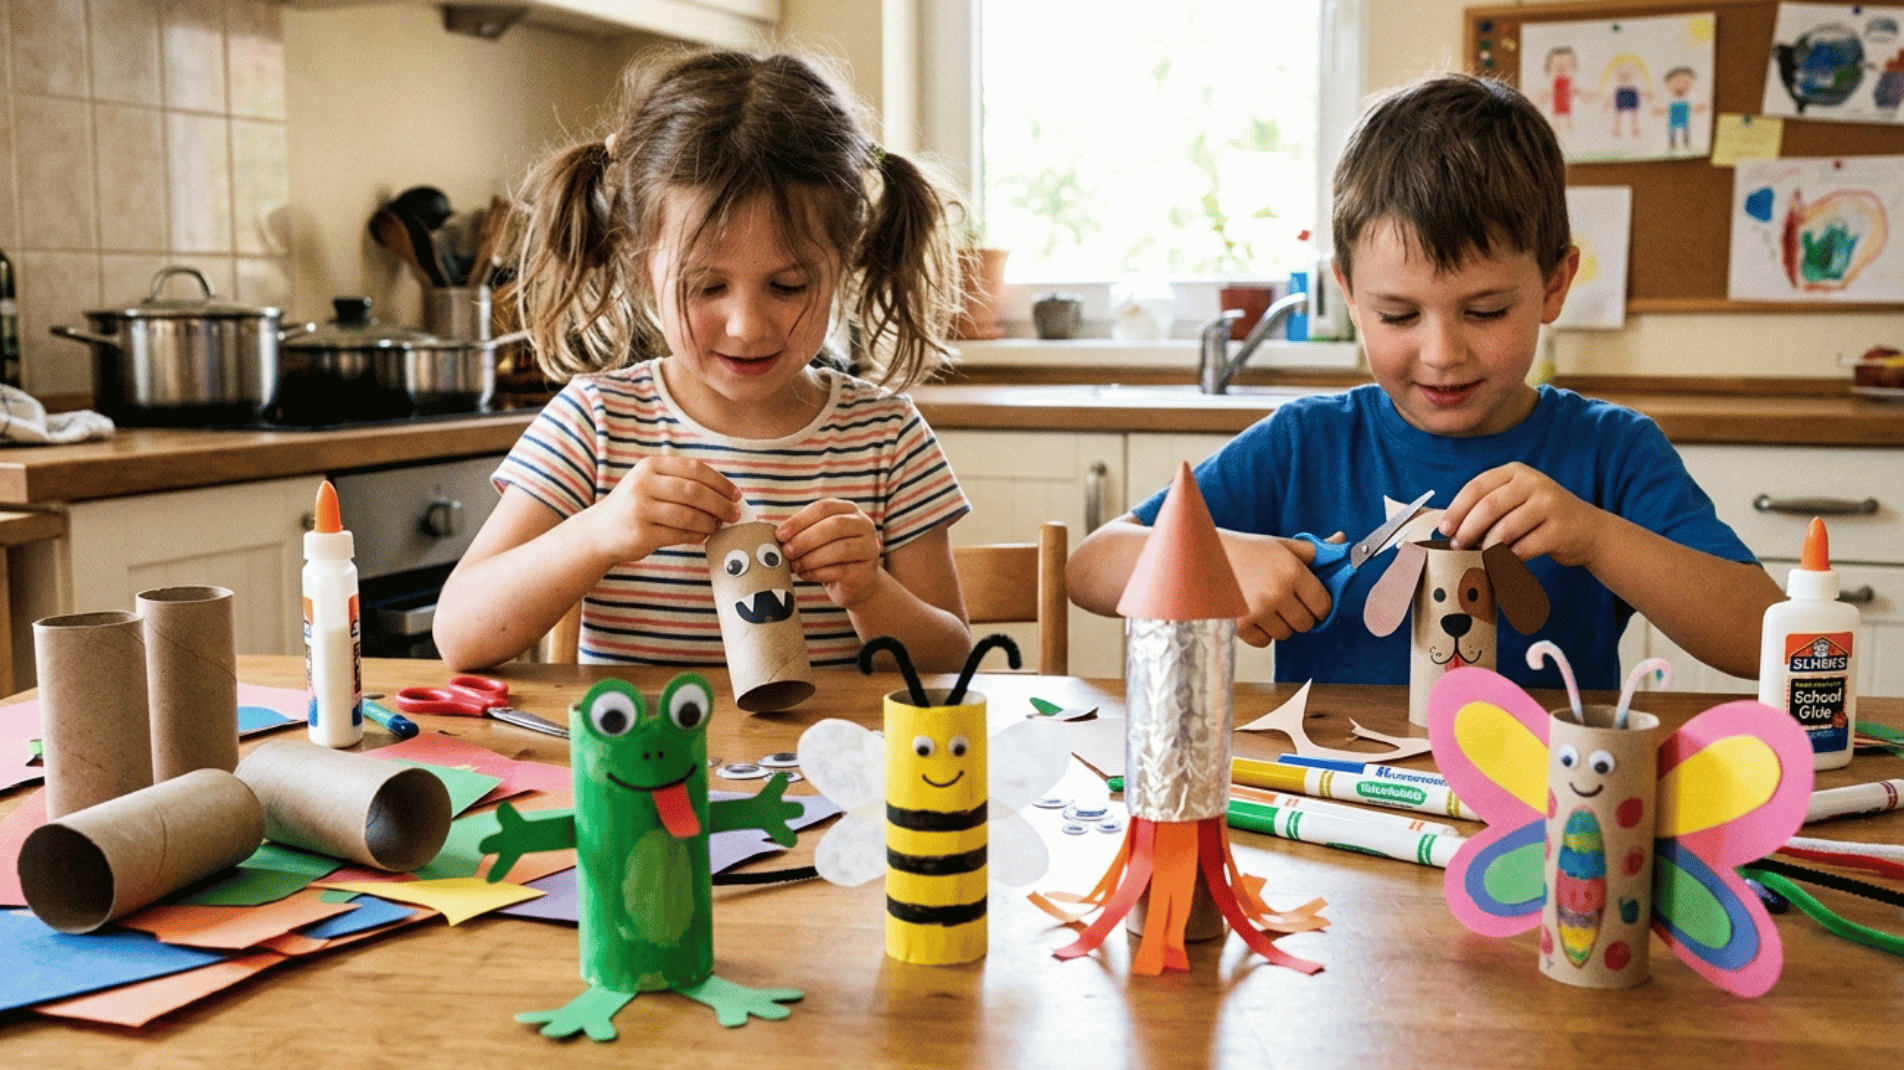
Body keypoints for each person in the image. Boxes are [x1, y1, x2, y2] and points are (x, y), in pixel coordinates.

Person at [1067, 73, 1782, 693]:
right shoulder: (1303, 444)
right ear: (1348, 294)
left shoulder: (1612, 452)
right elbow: (1094, 564)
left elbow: (1766, 642)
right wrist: (1219, 556)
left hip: (1539, 807)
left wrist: (1596, 537)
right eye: (1398, 314)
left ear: (1556, 285)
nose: (1442, 353)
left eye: (1486, 310)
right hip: (1334, 804)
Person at [434, 48, 974, 675]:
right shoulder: (597, 425)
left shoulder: (887, 439)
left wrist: (871, 591)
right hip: (641, 768)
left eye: (789, 286)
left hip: (830, 770)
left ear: (846, 262)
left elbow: (949, 664)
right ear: (641, 267)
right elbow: (460, 635)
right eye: (707, 287)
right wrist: (599, 533)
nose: (746, 327)